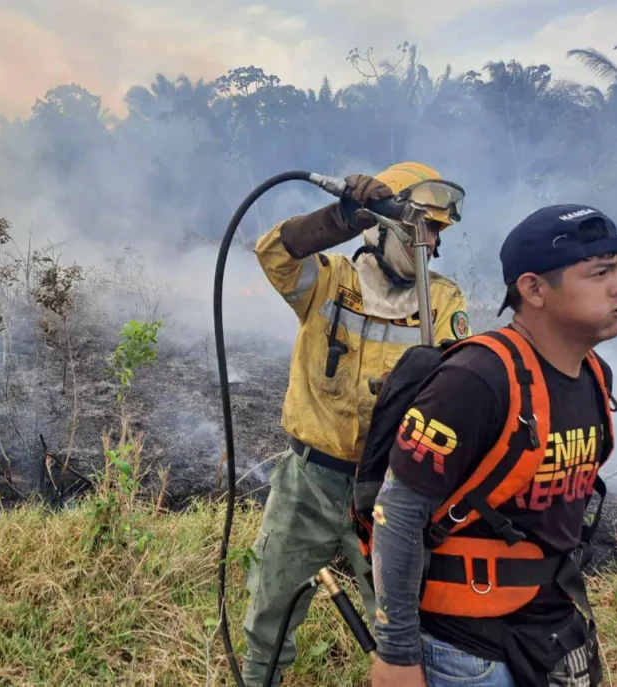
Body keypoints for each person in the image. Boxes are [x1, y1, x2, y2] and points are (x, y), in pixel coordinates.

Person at [369, 204, 617, 687]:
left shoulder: (595, 374)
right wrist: (397, 655)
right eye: (600, 273)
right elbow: (397, 514)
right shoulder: (476, 381)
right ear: (533, 289)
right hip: (467, 654)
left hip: (552, 630)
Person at [243, 162, 472, 686]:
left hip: (391, 487)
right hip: (309, 482)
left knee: (404, 623)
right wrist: (344, 216)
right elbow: (273, 252)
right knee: (269, 606)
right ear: (386, 224)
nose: (433, 245)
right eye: (426, 228)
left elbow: (457, 386)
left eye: (438, 232)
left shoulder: (442, 301)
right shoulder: (327, 281)